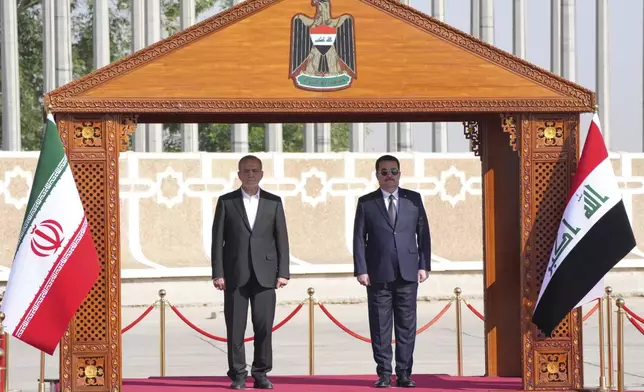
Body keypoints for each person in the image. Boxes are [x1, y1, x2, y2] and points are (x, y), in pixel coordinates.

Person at [211, 155, 290, 390]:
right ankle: (237, 375)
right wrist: (218, 273)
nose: (250, 174)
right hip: (235, 274)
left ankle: (261, 373)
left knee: (264, 327)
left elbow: (282, 239)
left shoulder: (273, 202)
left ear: (262, 174)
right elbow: (217, 241)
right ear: (238, 174)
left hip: (266, 275)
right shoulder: (227, 201)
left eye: (255, 170)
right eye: (246, 171)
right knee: (235, 328)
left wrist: (283, 272)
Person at [352, 154, 431, 388]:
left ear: (400, 173)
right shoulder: (366, 202)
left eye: (393, 171)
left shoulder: (413, 200)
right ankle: (384, 373)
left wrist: (424, 265)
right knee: (380, 325)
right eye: (384, 172)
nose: (389, 176)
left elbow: (423, 234)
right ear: (377, 175)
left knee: (407, 326)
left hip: (408, 273)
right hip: (377, 274)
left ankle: (404, 373)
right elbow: (358, 238)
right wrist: (361, 269)